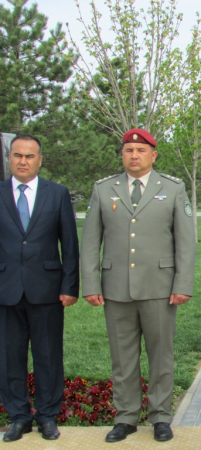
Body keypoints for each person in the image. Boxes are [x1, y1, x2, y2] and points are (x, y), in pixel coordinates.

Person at [81, 128, 196, 443]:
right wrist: (90, 283)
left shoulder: (172, 188)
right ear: (122, 154)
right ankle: (126, 416)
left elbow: (186, 242)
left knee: (161, 355)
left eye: (141, 150)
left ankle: (160, 416)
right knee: (123, 357)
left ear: (153, 155)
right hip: (116, 287)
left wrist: (183, 283)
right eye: (129, 150)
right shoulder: (104, 189)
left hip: (160, 287)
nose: (134, 155)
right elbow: (91, 241)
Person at [0, 135, 79, 442]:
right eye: (17, 155)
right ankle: (18, 416)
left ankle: (47, 415)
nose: (23, 161)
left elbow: (69, 244)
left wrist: (69, 285)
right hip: (6, 290)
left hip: (47, 289)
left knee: (47, 354)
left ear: (40, 160)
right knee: (9, 356)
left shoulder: (56, 194)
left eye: (29, 156)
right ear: (9, 158)